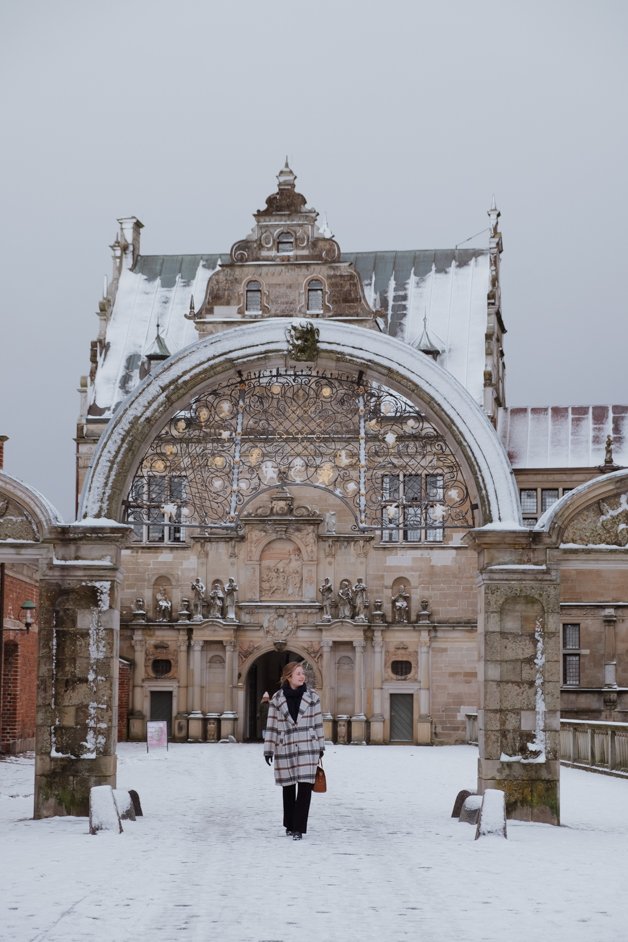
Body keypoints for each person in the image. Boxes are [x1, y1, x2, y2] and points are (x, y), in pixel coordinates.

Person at [263, 661, 325, 840]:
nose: (302, 676)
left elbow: (318, 723)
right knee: (288, 788)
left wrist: (320, 746)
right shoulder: (276, 699)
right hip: (285, 746)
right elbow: (272, 725)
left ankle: (298, 827)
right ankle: (289, 824)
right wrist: (268, 750)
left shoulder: (313, 697)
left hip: (308, 745)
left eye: (302, 673)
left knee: (305, 788)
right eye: (298, 673)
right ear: (289, 676)